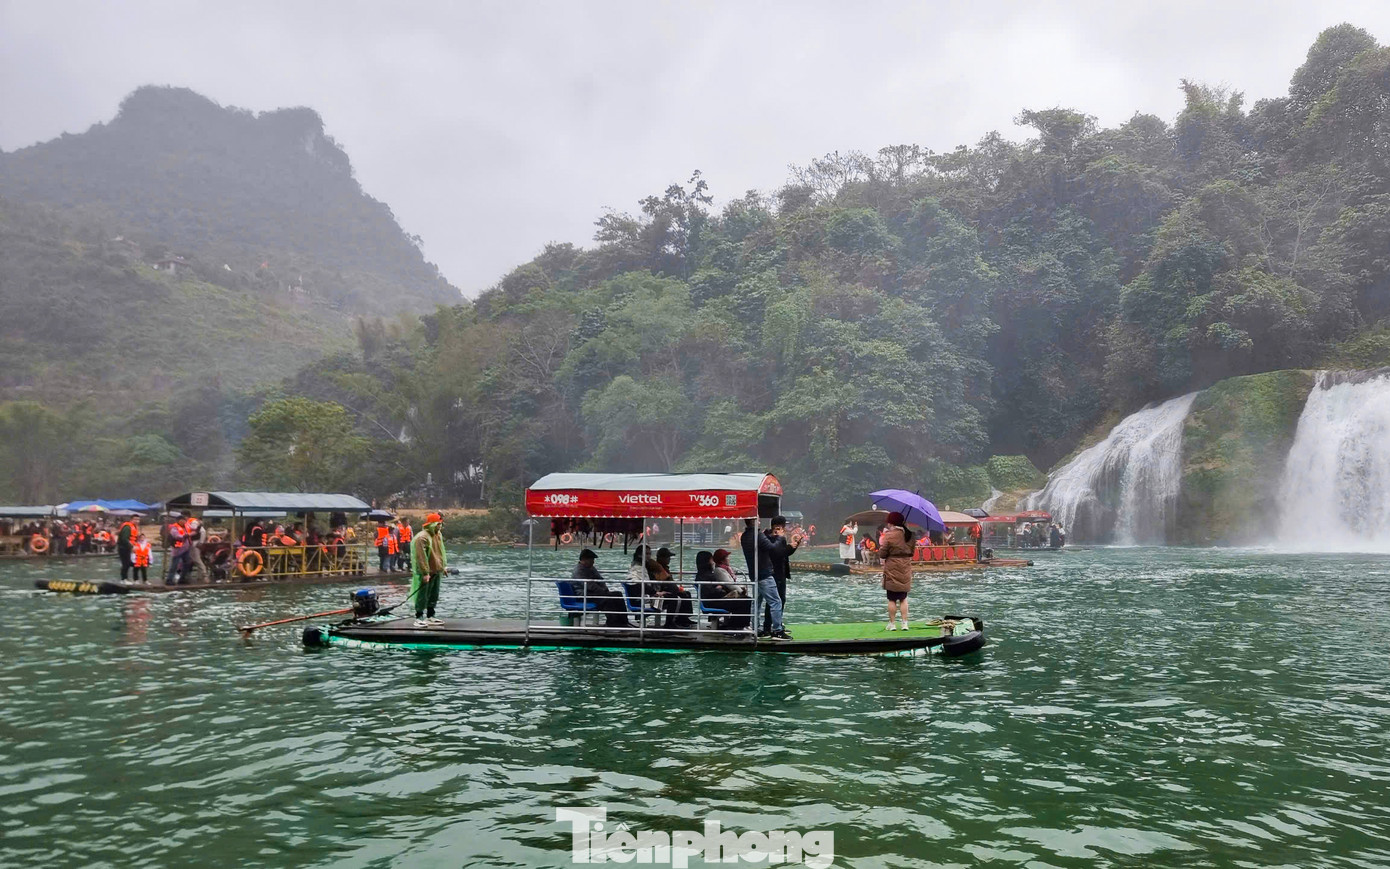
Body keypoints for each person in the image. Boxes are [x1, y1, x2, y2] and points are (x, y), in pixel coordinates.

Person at [740, 519, 790, 640]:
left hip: (755, 574)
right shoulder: (758, 535)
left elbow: (764, 545)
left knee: (757, 603)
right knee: (776, 602)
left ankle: (756, 628)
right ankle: (777, 630)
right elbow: (772, 548)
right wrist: (780, 537)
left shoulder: (745, 536)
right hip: (764, 574)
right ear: (754, 521)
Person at [572, 548, 636, 628]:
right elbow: (589, 585)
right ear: (584, 560)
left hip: (594, 593)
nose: (593, 562)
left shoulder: (591, 568)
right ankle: (612, 622)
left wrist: (605, 589)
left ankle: (623, 621)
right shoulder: (578, 571)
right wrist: (602, 592)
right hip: (584, 595)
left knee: (617, 595)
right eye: (591, 560)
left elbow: (600, 579)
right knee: (606, 599)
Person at [879, 511, 915, 630]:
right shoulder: (910, 535)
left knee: (892, 598)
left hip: (892, 568)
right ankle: (905, 623)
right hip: (905, 567)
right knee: (903, 598)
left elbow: (883, 554)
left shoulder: (889, 535)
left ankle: (892, 624)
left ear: (891, 523)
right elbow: (912, 552)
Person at [763, 516, 801, 628]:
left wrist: (794, 546)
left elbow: (784, 553)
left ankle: (777, 623)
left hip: (781, 572)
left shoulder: (778, 538)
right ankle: (769, 626)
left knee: (780, 600)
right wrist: (788, 545)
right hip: (774, 572)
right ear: (779, 526)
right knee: (774, 601)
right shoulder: (770, 538)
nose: (786, 528)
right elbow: (777, 553)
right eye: (785, 526)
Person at [411, 513, 447, 627]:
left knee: (433, 594)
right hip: (426, 572)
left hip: (436, 570)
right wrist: (425, 572)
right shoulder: (422, 538)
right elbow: (421, 557)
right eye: (438, 524)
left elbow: (440, 552)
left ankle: (430, 615)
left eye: (440, 524)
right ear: (432, 524)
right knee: (423, 594)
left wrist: (443, 567)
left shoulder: (438, 535)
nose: (440, 526)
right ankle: (419, 616)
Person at [702, 549, 752, 630]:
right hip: (717, 599)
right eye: (727, 557)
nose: (729, 559)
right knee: (745, 601)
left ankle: (739, 624)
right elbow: (730, 584)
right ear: (722, 560)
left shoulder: (724, 569)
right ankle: (736, 625)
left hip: (719, 597)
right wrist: (741, 591)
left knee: (745, 600)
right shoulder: (719, 571)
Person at [654, 547, 695, 628]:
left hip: (669, 590)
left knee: (686, 594)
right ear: (661, 558)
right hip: (662, 592)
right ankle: (669, 622)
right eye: (667, 557)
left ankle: (683, 618)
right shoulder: (657, 569)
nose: (669, 559)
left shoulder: (665, 568)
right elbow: (663, 582)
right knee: (675, 597)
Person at [117, 516, 139, 580]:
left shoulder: (134, 527)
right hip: (123, 548)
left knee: (132, 563)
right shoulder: (127, 527)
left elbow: (134, 538)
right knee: (125, 564)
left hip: (130, 548)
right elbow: (124, 539)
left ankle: (135, 578)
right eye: (135, 519)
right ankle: (124, 579)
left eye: (138, 519)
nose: (137, 521)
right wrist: (131, 546)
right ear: (131, 519)